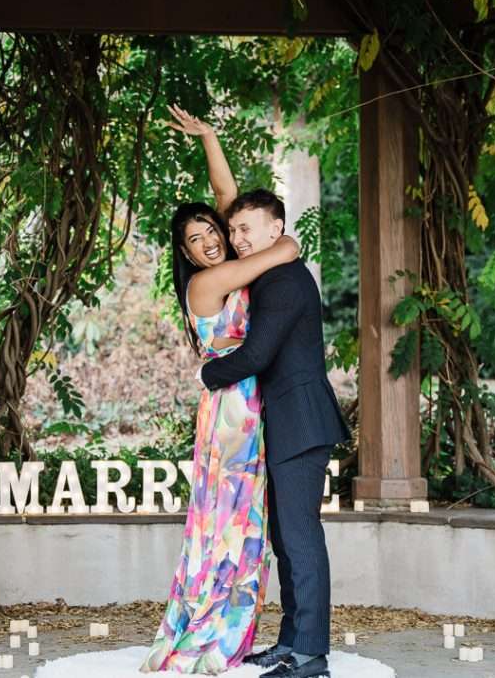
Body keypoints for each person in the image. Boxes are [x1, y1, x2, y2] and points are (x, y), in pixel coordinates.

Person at [140, 108, 301, 674]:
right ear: (185, 254)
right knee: (229, 518)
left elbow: (231, 202)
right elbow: (274, 250)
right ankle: (215, 623)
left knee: (246, 516)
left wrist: (210, 137)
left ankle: (234, 620)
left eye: (214, 231)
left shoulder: (232, 258)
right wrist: (283, 246)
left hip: (252, 398)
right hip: (232, 407)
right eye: (197, 239)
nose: (211, 241)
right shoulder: (208, 284)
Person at [199, 189, 350, 678]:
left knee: (300, 536)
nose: (238, 239)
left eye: (248, 229)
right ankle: (292, 642)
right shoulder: (272, 276)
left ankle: (311, 654)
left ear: (276, 229)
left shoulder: (284, 281)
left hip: (301, 420)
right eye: (234, 230)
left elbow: (258, 356)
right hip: (288, 420)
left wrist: (207, 373)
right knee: (286, 537)